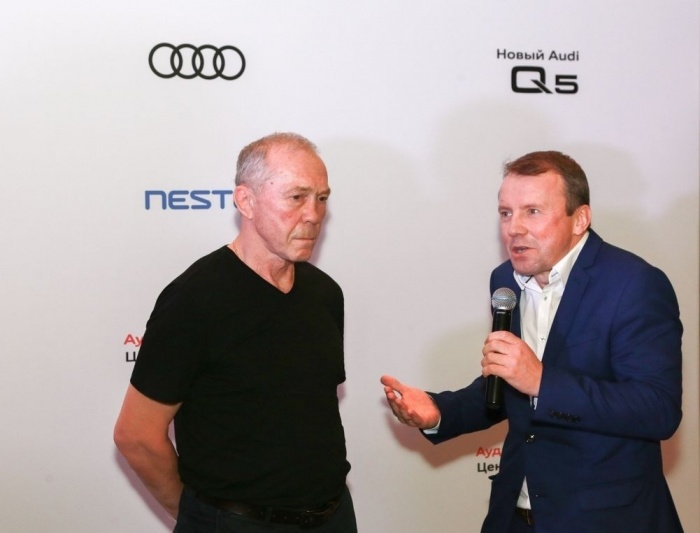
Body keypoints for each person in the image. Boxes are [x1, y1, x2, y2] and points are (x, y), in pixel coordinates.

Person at [381, 151, 683, 532]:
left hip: (604, 520)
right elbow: (507, 387)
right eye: (506, 213)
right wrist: (440, 412)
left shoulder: (634, 285)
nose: (514, 228)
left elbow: (657, 410)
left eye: (532, 212)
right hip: (515, 516)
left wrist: (542, 382)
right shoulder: (504, 281)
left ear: (580, 219)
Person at [114, 132, 357, 533]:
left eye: (321, 198)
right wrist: (199, 516)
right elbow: (136, 435)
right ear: (246, 201)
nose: (313, 214)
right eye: (296, 197)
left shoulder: (325, 293)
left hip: (334, 516)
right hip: (235, 522)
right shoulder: (194, 300)